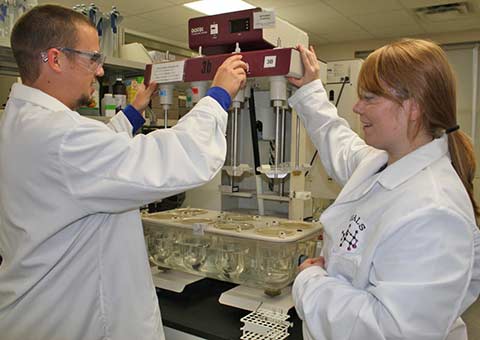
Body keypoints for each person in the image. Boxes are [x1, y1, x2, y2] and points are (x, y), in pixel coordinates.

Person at [0, 4, 246, 340]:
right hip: (71, 319)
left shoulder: (22, 121)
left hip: (37, 309)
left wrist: (131, 114)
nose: (99, 72)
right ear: (55, 59)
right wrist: (218, 96)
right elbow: (172, 159)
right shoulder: (58, 136)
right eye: (92, 59)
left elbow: (91, 163)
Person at [288, 39, 480, 340]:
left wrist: (309, 282)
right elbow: (338, 142)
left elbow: (388, 331)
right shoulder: (382, 163)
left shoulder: (435, 212)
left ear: (412, 107)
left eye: (370, 98)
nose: (356, 106)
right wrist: (310, 90)